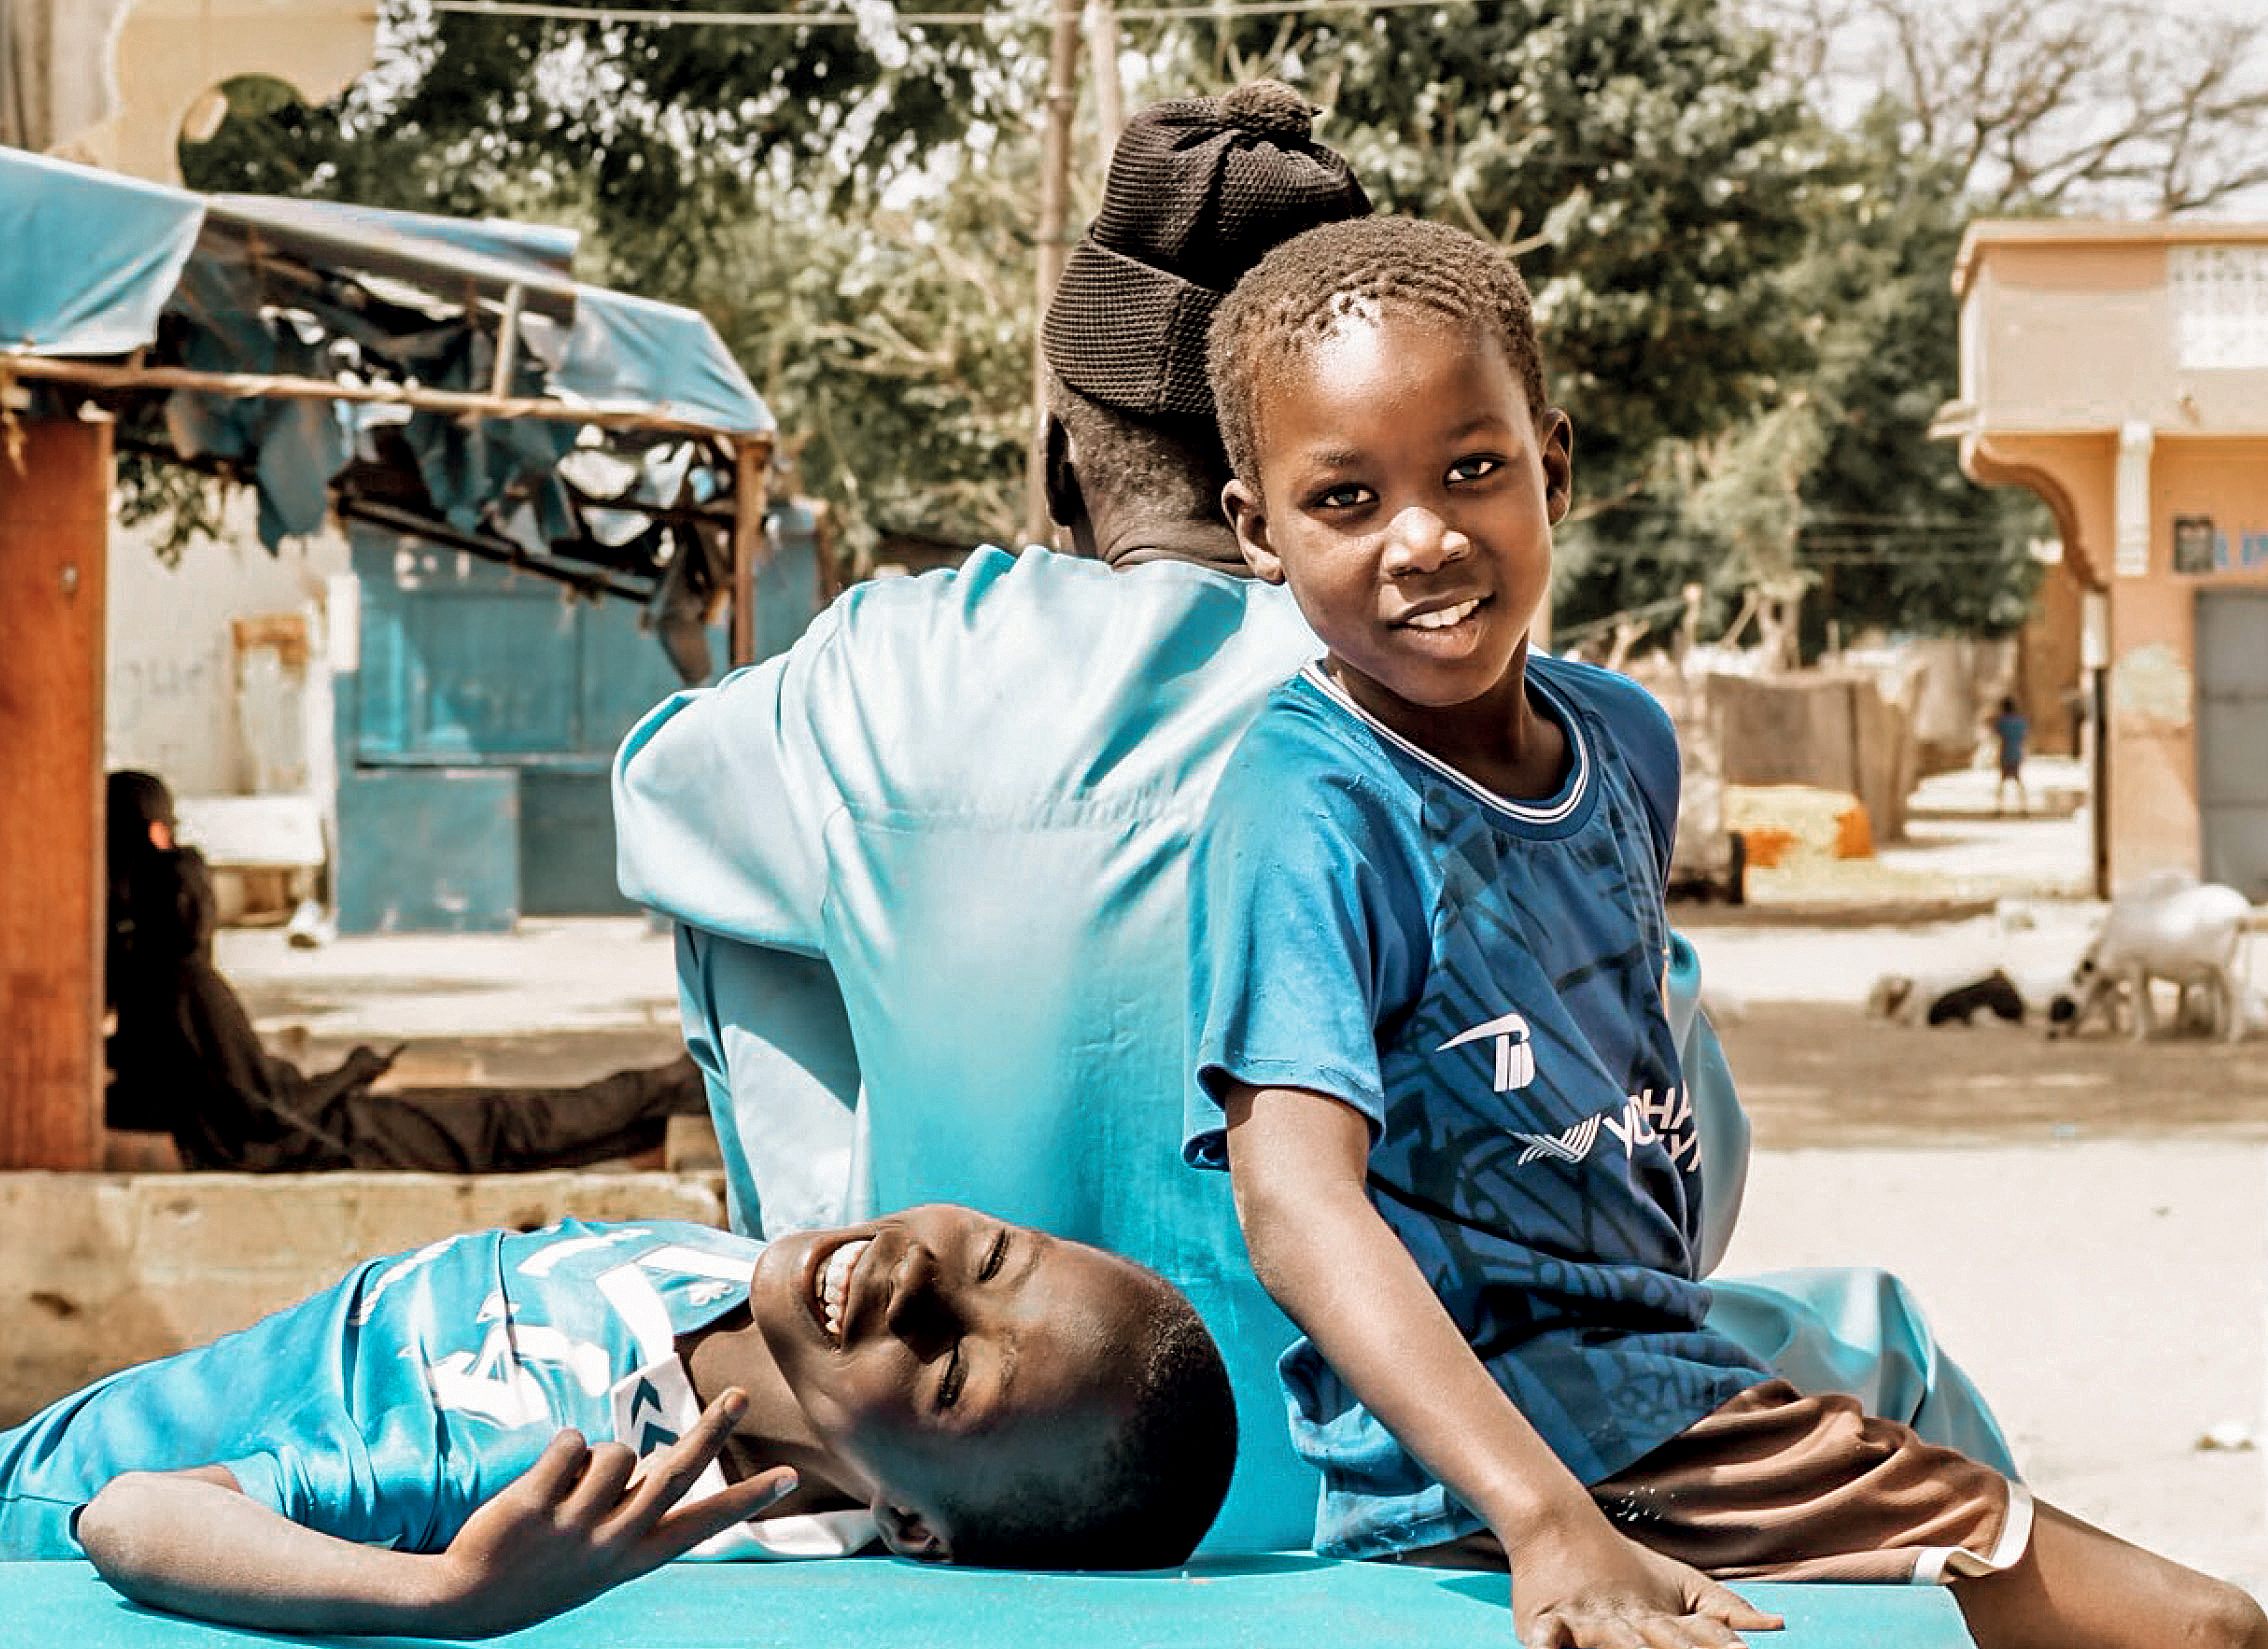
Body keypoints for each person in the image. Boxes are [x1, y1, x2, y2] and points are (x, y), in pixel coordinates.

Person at [614, 81, 2013, 1549]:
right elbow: (1688, 1195)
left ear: (1054, 471)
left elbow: (654, 802)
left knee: (746, 908)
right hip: (1451, 1472)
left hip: (1013, 1467)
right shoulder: (1502, 722)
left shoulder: (875, 671)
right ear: (1257, 509)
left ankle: (868, 1373)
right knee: (1880, 1345)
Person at [1185, 212, 2266, 1649]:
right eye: (1347, 498)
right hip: (1563, 1449)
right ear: (1258, 530)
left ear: (1552, 465)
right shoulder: (1305, 809)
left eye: (1472, 471)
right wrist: (1545, 1519)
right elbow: (1295, 1205)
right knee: (2207, 1647)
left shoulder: (1619, 738)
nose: (1423, 535)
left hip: (1670, 1389)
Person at [1, 1202, 1237, 1638]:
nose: (919, 1280)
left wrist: (446, 1599)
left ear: (909, 1523)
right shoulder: (772, 1296)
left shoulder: (563, 1460)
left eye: (955, 1378)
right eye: (994, 1252)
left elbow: (126, 1512)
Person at [106, 770, 700, 1172]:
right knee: (509, 1125)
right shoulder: (187, 987)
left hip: (336, 1126)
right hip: (340, 1139)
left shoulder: (143, 987)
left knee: (512, 1122)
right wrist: (351, 1072)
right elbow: (266, 1120)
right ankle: (672, 1087)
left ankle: (665, 1100)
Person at [1991, 694, 2029, 816]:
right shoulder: (2020, 722)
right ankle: (2024, 807)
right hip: (2017, 753)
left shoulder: (2002, 722)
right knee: (2019, 782)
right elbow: (2024, 737)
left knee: (2002, 782)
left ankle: (1999, 808)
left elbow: (1996, 736)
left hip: (2005, 753)